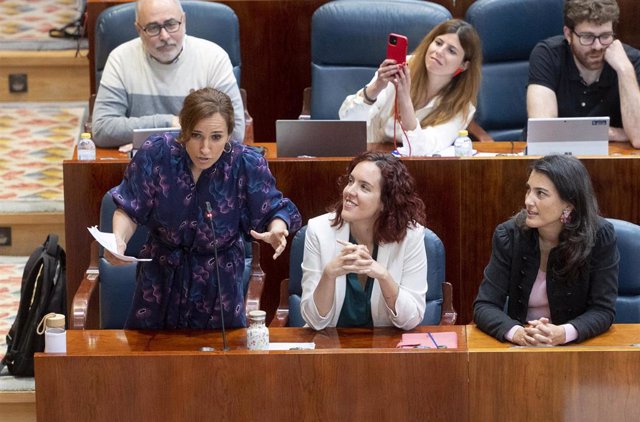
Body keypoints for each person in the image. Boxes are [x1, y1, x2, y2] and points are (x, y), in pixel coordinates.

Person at [109, 87, 301, 329]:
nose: (205, 149)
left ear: (230, 134)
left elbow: (275, 208)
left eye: (216, 137)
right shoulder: (156, 153)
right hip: (160, 281)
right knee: (150, 361)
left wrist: (277, 227)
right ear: (184, 129)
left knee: (219, 364)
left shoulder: (246, 163)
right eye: (196, 135)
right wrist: (119, 240)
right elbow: (129, 207)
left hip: (219, 287)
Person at [473, 154, 619, 346]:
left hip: (575, 349)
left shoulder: (600, 236)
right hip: (522, 347)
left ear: (569, 203)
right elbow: (484, 306)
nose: (528, 201)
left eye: (540, 193)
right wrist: (517, 333)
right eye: (529, 190)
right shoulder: (509, 235)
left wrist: (563, 333)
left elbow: (603, 310)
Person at [300, 152, 428, 330]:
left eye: (364, 187)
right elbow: (314, 321)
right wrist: (328, 275)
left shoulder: (411, 236)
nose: (349, 191)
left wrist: (383, 276)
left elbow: (410, 320)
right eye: (351, 181)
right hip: (330, 348)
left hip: (386, 350)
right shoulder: (318, 231)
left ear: (385, 202)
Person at [92, 0, 245, 148]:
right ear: (139, 29)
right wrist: (168, 122)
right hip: (142, 168)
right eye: (153, 27)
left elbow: (235, 130)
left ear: (183, 21)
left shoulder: (214, 58)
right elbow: (102, 129)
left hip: (202, 164)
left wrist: (154, 143)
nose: (164, 36)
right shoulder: (120, 59)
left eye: (171, 24)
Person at [339, 19, 482, 156]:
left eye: (451, 51)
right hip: (363, 154)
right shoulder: (403, 66)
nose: (439, 51)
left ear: (464, 65)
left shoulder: (462, 108)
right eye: (438, 43)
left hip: (408, 168)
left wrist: (405, 99)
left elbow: (421, 150)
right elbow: (347, 121)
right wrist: (376, 87)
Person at [527, 0, 640, 147]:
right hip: (554, 161)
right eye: (587, 37)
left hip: (609, 162)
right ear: (568, 34)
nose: (598, 46)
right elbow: (544, 133)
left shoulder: (631, 61)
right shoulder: (547, 55)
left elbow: (638, 137)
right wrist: (613, 133)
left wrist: (624, 70)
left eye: (605, 36)